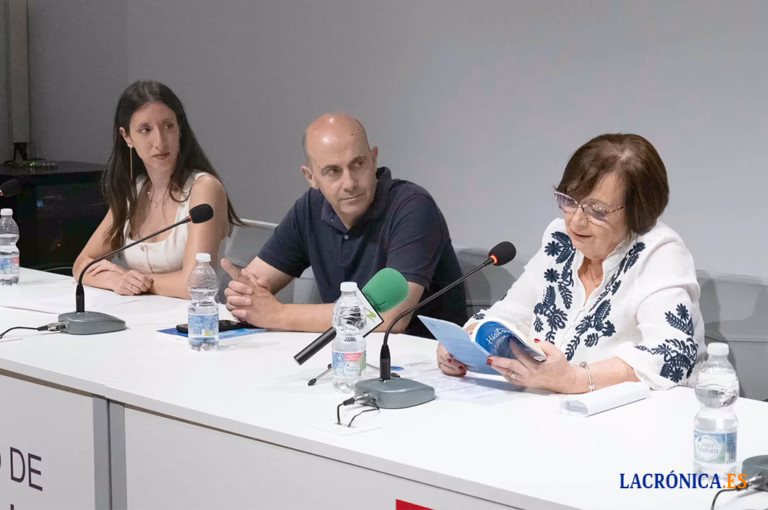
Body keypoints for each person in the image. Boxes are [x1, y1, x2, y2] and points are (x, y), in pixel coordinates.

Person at [438, 133, 704, 392]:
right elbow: (508, 314)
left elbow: (672, 355)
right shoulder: (561, 242)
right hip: (552, 412)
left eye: (597, 211)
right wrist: (464, 343)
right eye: (569, 201)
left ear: (638, 212)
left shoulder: (659, 254)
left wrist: (576, 379)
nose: (576, 221)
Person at [223, 113, 467, 336]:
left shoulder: (413, 207)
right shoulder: (310, 207)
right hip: (349, 353)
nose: (350, 183)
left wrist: (277, 314)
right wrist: (243, 295)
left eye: (358, 164)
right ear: (311, 177)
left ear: (374, 159)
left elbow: (392, 316)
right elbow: (254, 281)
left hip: (422, 365)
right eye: (333, 171)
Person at [74, 80, 241, 299]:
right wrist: (116, 280)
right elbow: (81, 266)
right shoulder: (134, 191)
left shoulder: (204, 188)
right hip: (137, 318)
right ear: (127, 137)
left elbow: (194, 284)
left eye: (168, 126)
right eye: (145, 130)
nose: (160, 141)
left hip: (194, 323)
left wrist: (134, 279)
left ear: (180, 128)